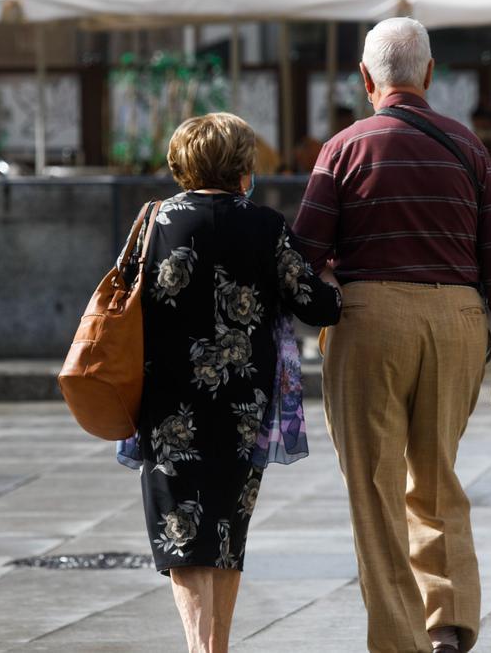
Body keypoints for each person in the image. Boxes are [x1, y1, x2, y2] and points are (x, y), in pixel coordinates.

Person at [293, 17, 491, 653]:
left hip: (369, 320)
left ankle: (400, 641)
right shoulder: (469, 149)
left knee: (374, 491)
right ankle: (449, 626)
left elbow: (305, 253)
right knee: (437, 479)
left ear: (366, 79)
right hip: (457, 322)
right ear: (429, 76)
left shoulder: (343, 148)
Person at [121, 112, 341, 653]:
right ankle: (214, 647)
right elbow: (318, 306)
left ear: (182, 163)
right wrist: (336, 278)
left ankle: (202, 649)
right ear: (243, 165)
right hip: (245, 404)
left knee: (181, 529)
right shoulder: (265, 226)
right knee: (226, 527)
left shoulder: (154, 221)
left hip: (167, 400)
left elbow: (121, 298)